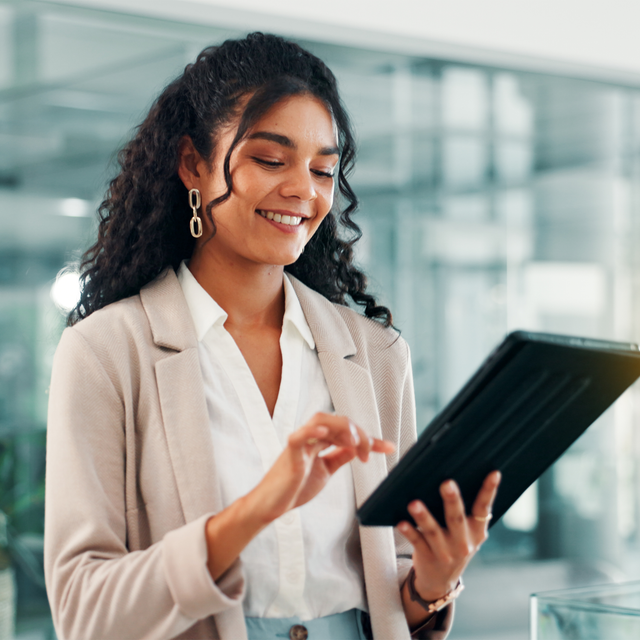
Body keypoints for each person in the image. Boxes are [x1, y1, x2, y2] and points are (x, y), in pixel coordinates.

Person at [44, 33, 500, 640]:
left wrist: (431, 584)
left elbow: (390, 596)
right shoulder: (106, 352)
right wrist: (258, 508)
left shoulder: (378, 356)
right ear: (193, 165)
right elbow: (83, 611)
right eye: (269, 159)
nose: (304, 191)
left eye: (323, 169)